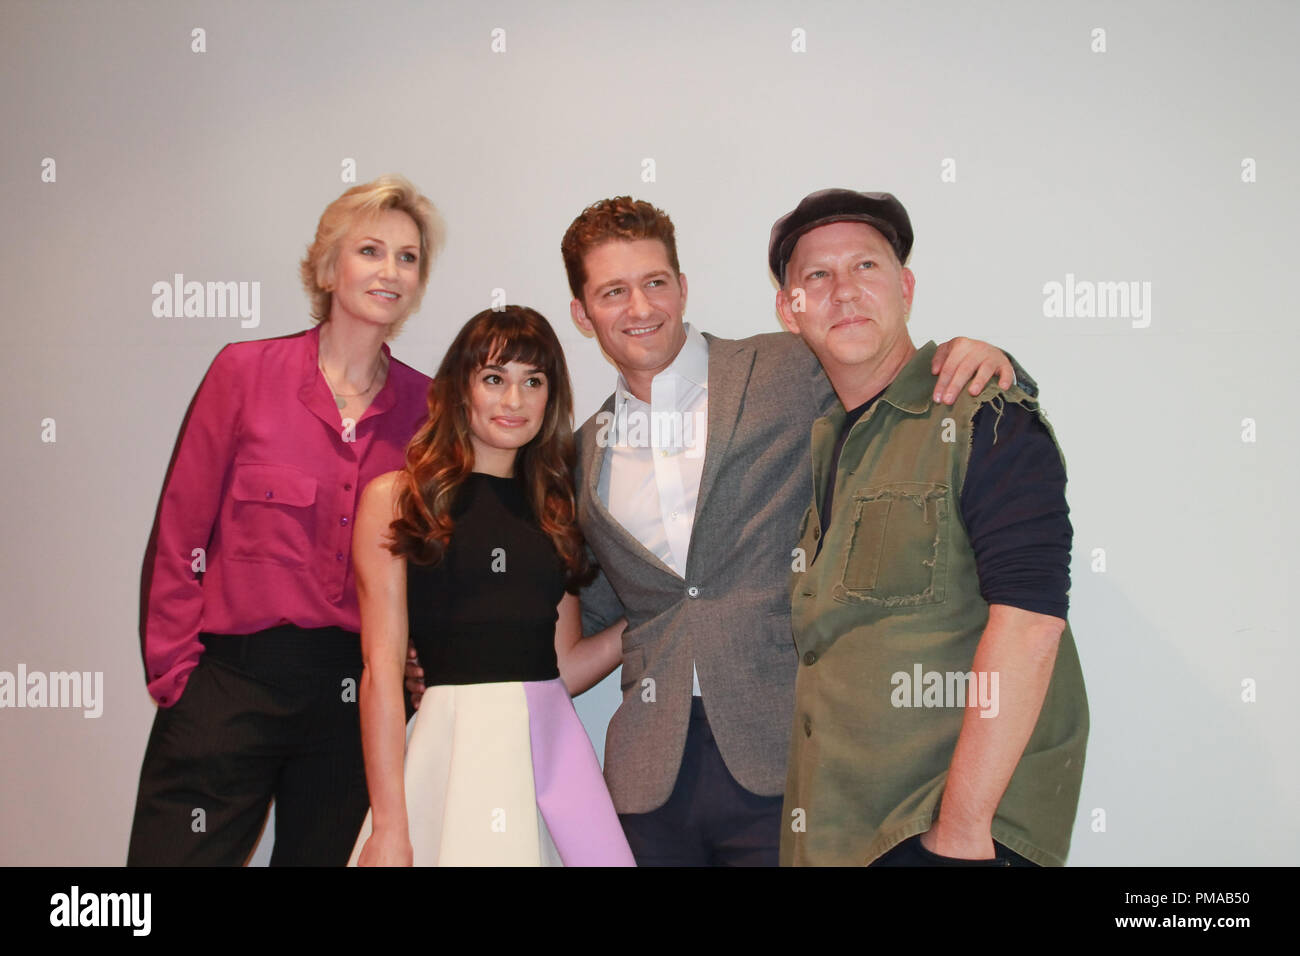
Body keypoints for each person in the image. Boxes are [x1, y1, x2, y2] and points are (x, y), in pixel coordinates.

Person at [554, 197, 1020, 866]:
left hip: (788, 757)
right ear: (582, 313)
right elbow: (596, 606)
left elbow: (890, 377)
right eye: (613, 291)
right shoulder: (580, 453)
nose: (641, 308)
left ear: (683, 288)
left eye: (656, 282)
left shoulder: (787, 366)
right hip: (646, 783)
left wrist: (975, 356)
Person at [128, 175, 442, 866]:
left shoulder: (427, 410)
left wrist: (419, 663)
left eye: (408, 257)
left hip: (351, 701)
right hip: (228, 682)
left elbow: (429, 561)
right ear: (331, 266)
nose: (390, 270)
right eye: (370, 250)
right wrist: (178, 677)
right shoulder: (243, 374)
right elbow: (181, 534)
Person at [770, 188, 1089, 866]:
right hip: (841, 833)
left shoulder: (982, 416)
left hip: (942, 834)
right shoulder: (830, 444)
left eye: (866, 267)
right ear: (788, 310)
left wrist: (963, 833)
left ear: (905, 287)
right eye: (816, 277)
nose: (844, 292)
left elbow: (1030, 626)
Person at [349, 306, 634, 866]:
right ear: (461, 390)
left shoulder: (555, 511)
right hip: (451, 756)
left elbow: (564, 667)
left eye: (533, 381)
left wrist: (658, 615)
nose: (514, 401)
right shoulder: (398, 500)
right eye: (494, 379)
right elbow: (381, 674)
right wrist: (388, 825)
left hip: (550, 763)